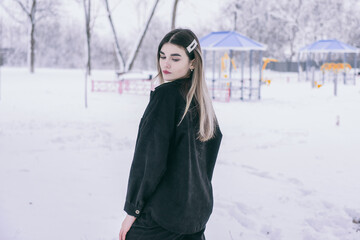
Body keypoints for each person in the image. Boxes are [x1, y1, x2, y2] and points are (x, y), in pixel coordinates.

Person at [119, 28, 222, 240]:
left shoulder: (166, 96)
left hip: (164, 216)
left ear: (192, 62)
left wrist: (133, 210)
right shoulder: (202, 103)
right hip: (196, 214)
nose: (165, 64)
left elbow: (149, 158)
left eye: (175, 58)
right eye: (162, 56)